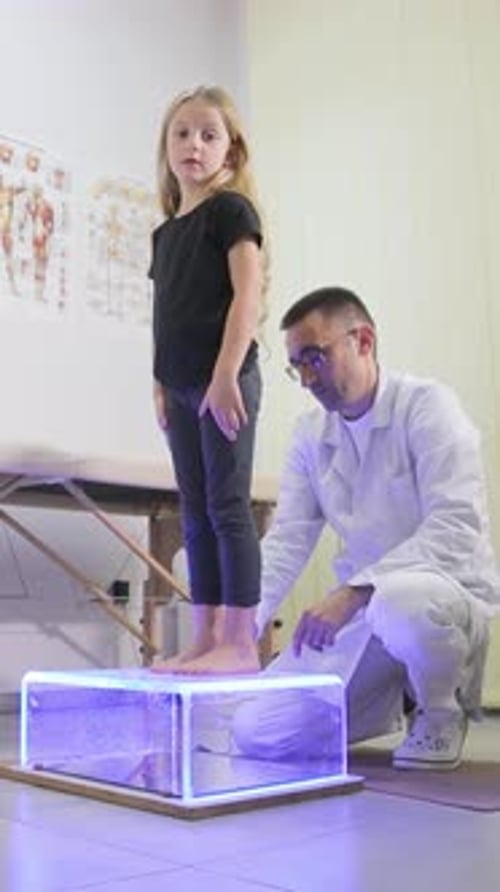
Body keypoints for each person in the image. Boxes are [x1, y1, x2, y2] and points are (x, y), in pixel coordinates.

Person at [234, 286, 499, 770]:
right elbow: (288, 539)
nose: (308, 378)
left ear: (364, 341)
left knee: (399, 603)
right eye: (298, 365)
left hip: (437, 599)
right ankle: (396, 696)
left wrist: (355, 591)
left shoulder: (428, 407)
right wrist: (240, 628)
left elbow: (455, 526)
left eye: (316, 356)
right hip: (363, 616)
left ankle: (440, 709)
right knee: (256, 733)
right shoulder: (311, 435)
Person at [149, 86, 266, 675]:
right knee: (193, 512)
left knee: (227, 505)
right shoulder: (165, 234)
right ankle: (205, 635)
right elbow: (166, 314)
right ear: (166, 147)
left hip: (225, 380)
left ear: (231, 151)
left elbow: (248, 294)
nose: (194, 144)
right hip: (181, 384)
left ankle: (240, 643)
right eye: (182, 133)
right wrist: (160, 383)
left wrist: (225, 375)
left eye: (208, 134)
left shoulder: (230, 213)